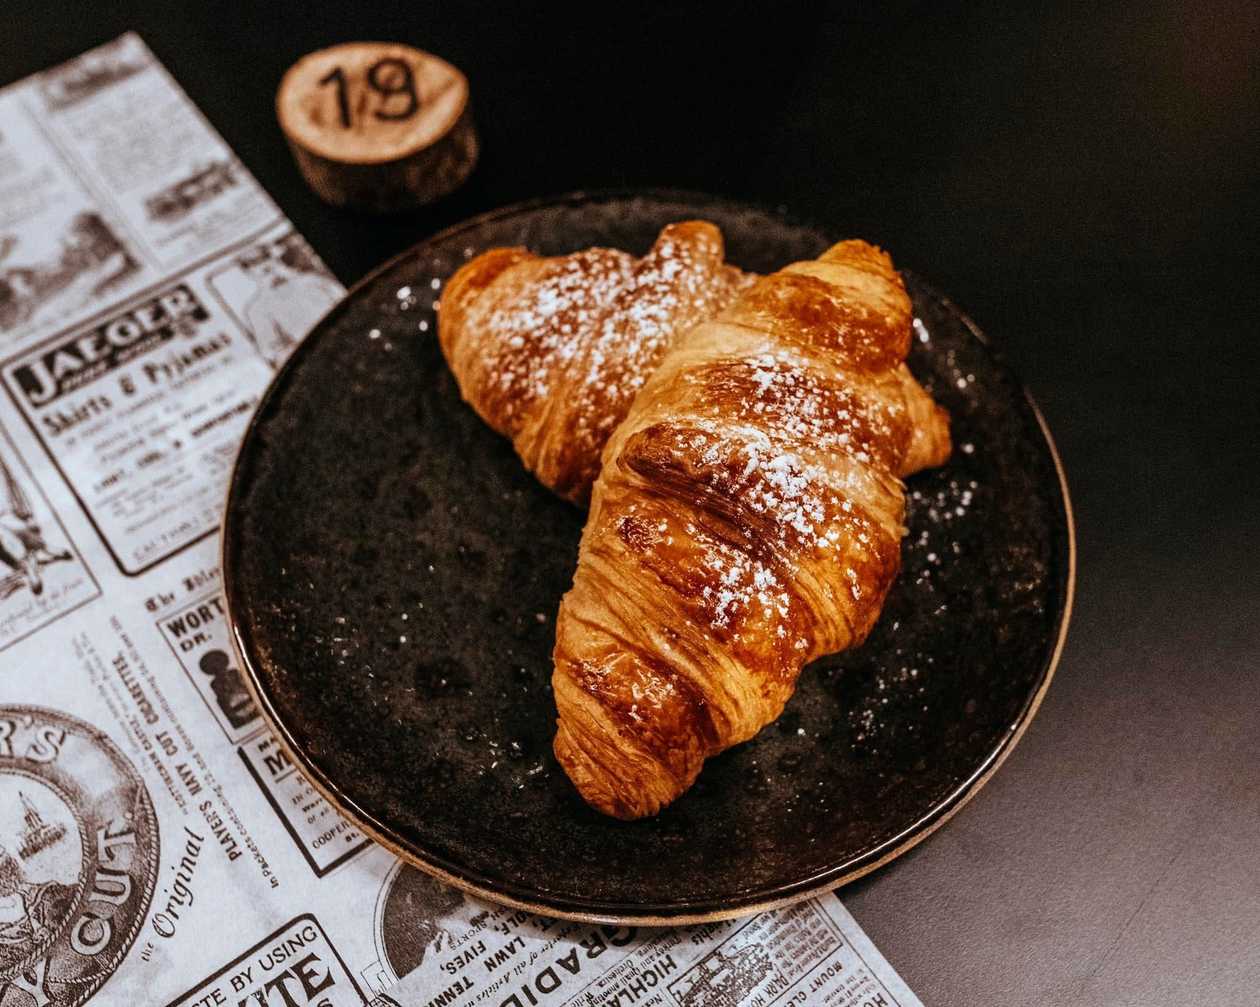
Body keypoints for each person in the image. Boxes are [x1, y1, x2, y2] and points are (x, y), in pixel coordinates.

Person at [237, 246, 340, 369]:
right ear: (249, 273)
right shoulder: (258, 309)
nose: (263, 265)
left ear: (273, 258)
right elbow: (272, 350)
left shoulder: (313, 281)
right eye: (254, 264)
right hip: (319, 357)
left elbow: (345, 297)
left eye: (265, 258)